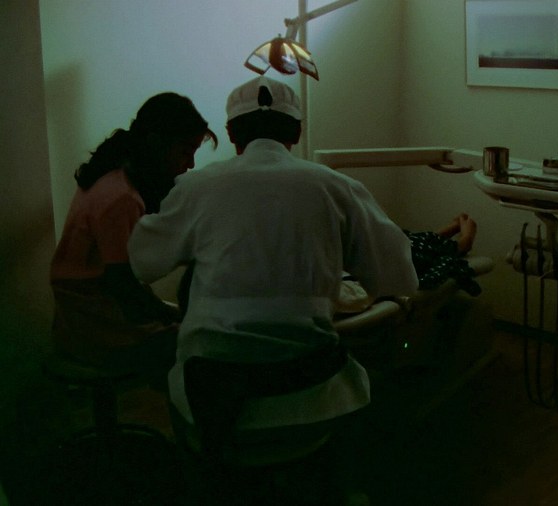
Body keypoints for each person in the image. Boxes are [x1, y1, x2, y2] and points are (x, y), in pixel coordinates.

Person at [127, 76, 418, 499]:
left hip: (211, 399)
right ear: (296, 132)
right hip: (311, 398)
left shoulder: (196, 187)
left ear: (231, 134)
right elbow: (400, 276)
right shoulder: (337, 188)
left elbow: (141, 262)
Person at [50, 92, 216, 374]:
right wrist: (175, 316)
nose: (190, 164)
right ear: (155, 142)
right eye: (185, 152)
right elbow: (123, 286)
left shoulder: (110, 176)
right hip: (97, 327)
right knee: (206, 345)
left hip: (76, 319)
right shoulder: (122, 198)